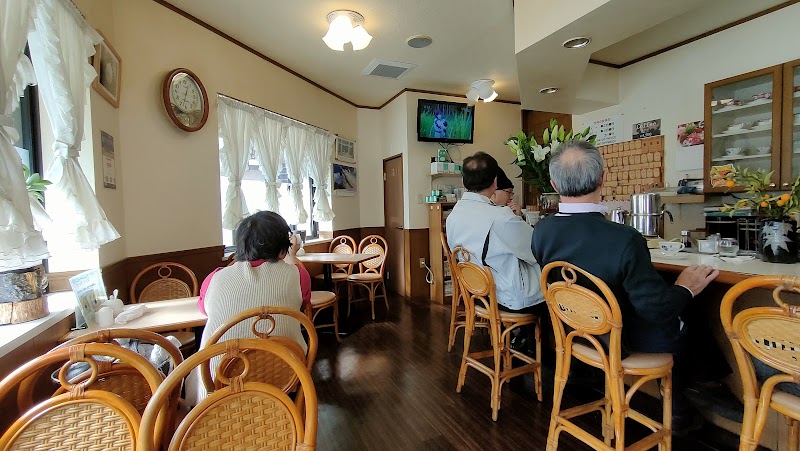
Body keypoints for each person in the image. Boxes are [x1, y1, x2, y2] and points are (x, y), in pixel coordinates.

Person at [531, 140, 728, 434]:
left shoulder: (542, 230)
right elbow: (657, 310)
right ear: (602, 178)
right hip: (618, 342)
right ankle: (681, 402)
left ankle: (688, 397)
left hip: (575, 334)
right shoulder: (624, 238)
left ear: (553, 182)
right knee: (688, 308)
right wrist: (686, 286)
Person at [186, 211, 311, 405]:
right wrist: (291, 255)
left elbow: (205, 309)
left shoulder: (215, 278)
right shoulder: (297, 275)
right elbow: (301, 303)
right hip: (286, 378)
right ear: (282, 246)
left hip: (220, 385)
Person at [446, 151, 544, 313]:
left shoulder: (454, 215)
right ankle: (530, 336)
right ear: (495, 182)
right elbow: (535, 250)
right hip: (507, 297)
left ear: (464, 182)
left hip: (477, 292)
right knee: (555, 282)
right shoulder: (501, 217)